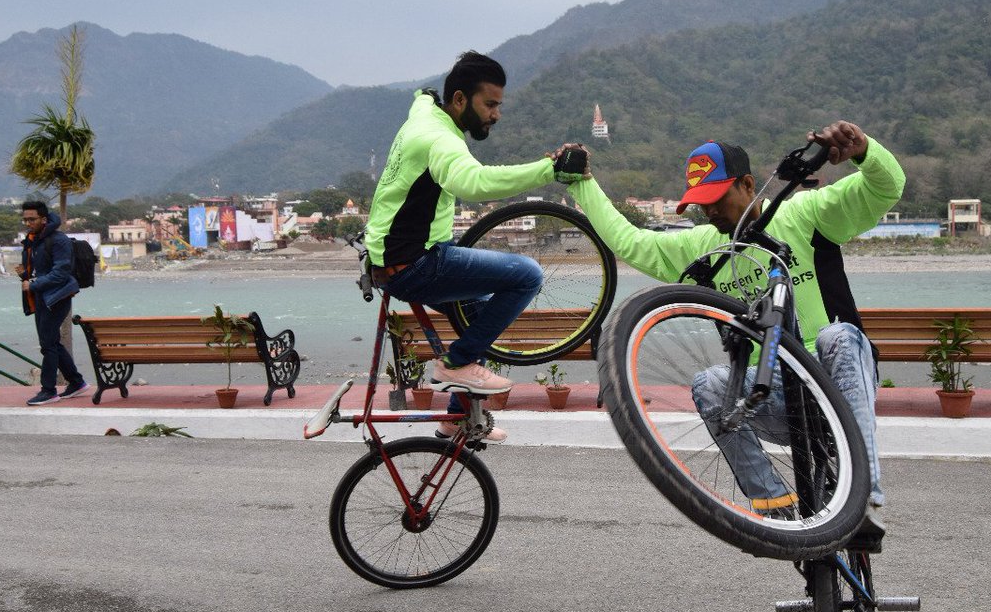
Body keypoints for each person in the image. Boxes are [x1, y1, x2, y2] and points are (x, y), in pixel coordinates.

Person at [565, 121, 904, 548]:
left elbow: (885, 189)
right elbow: (629, 242)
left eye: (716, 199)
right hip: (777, 394)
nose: (709, 212)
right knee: (709, 384)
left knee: (839, 336)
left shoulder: (806, 214)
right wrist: (582, 185)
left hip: (836, 380)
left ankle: (864, 504)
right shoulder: (704, 247)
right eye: (699, 204)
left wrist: (865, 151)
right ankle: (776, 513)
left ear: (748, 184)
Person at [364, 51, 584, 441]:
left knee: (480, 318)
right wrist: (549, 169)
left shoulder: (426, 113)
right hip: (416, 264)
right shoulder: (439, 139)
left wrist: (430, 94)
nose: (496, 114)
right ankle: (454, 365)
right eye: (490, 104)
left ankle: (456, 416)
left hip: (393, 262)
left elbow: (423, 97)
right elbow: (475, 184)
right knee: (527, 275)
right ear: (461, 99)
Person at [17, 200, 88, 406]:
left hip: (57, 297)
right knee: (52, 342)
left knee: (47, 344)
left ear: (43, 219)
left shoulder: (58, 240)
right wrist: (25, 276)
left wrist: (34, 284)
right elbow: (37, 271)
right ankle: (76, 382)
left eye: (32, 219)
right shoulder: (33, 241)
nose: (28, 222)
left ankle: (49, 390)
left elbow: (61, 272)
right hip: (41, 297)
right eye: (25, 219)